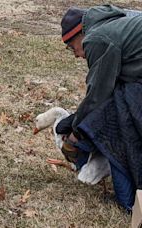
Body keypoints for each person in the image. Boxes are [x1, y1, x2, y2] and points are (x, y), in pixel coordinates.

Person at [56, 4, 142, 211]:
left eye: (72, 47)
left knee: (121, 121)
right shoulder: (117, 22)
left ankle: (131, 199)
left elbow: (98, 94)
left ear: (80, 33)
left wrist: (77, 130)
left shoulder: (97, 38)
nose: (76, 55)